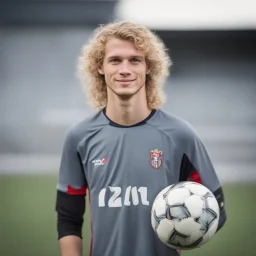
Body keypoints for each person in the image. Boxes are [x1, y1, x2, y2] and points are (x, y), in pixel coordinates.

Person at [55, 21, 227, 256]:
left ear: (148, 67)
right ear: (100, 67)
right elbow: (68, 218)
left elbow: (216, 209)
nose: (125, 69)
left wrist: (184, 225)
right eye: (115, 60)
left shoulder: (180, 135)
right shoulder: (80, 137)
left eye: (135, 60)